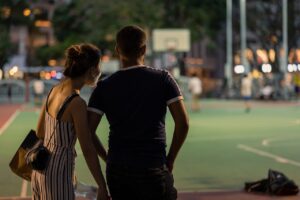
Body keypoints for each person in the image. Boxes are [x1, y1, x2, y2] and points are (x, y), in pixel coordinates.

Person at [87, 25, 189, 200]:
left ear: (117, 49)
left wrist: (107, 157)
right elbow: (183, 123)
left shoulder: (104, 86)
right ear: (144, 49)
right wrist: (170, 158)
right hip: (153, 166)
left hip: (117, 170)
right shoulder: (163, 79)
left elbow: (88, 131)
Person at [31, 44, 110, 200]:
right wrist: (102, 185)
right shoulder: (77, 103)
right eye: (98, 66)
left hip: (40, 169)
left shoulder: (54, 90)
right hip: (58, 173)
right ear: (91, 70)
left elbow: (40, 132)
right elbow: (87, 148)